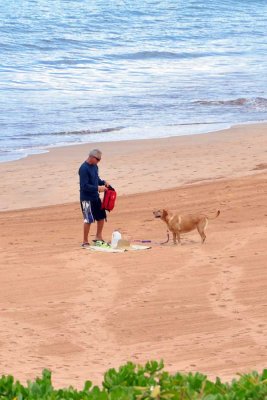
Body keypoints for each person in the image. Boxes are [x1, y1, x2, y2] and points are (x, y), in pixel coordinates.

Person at [79, 149, 110, 247]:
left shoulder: (95, 166)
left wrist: (103, 182)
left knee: (101, 217)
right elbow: (84, 186)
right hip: (86, 199)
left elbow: (96, 179)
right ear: (92, 157)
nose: (98, 161)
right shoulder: (83, 168)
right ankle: (85, 241)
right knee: (88, 220)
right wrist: (97, 188)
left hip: (95, 197)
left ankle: (98, 237)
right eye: (98, 159)